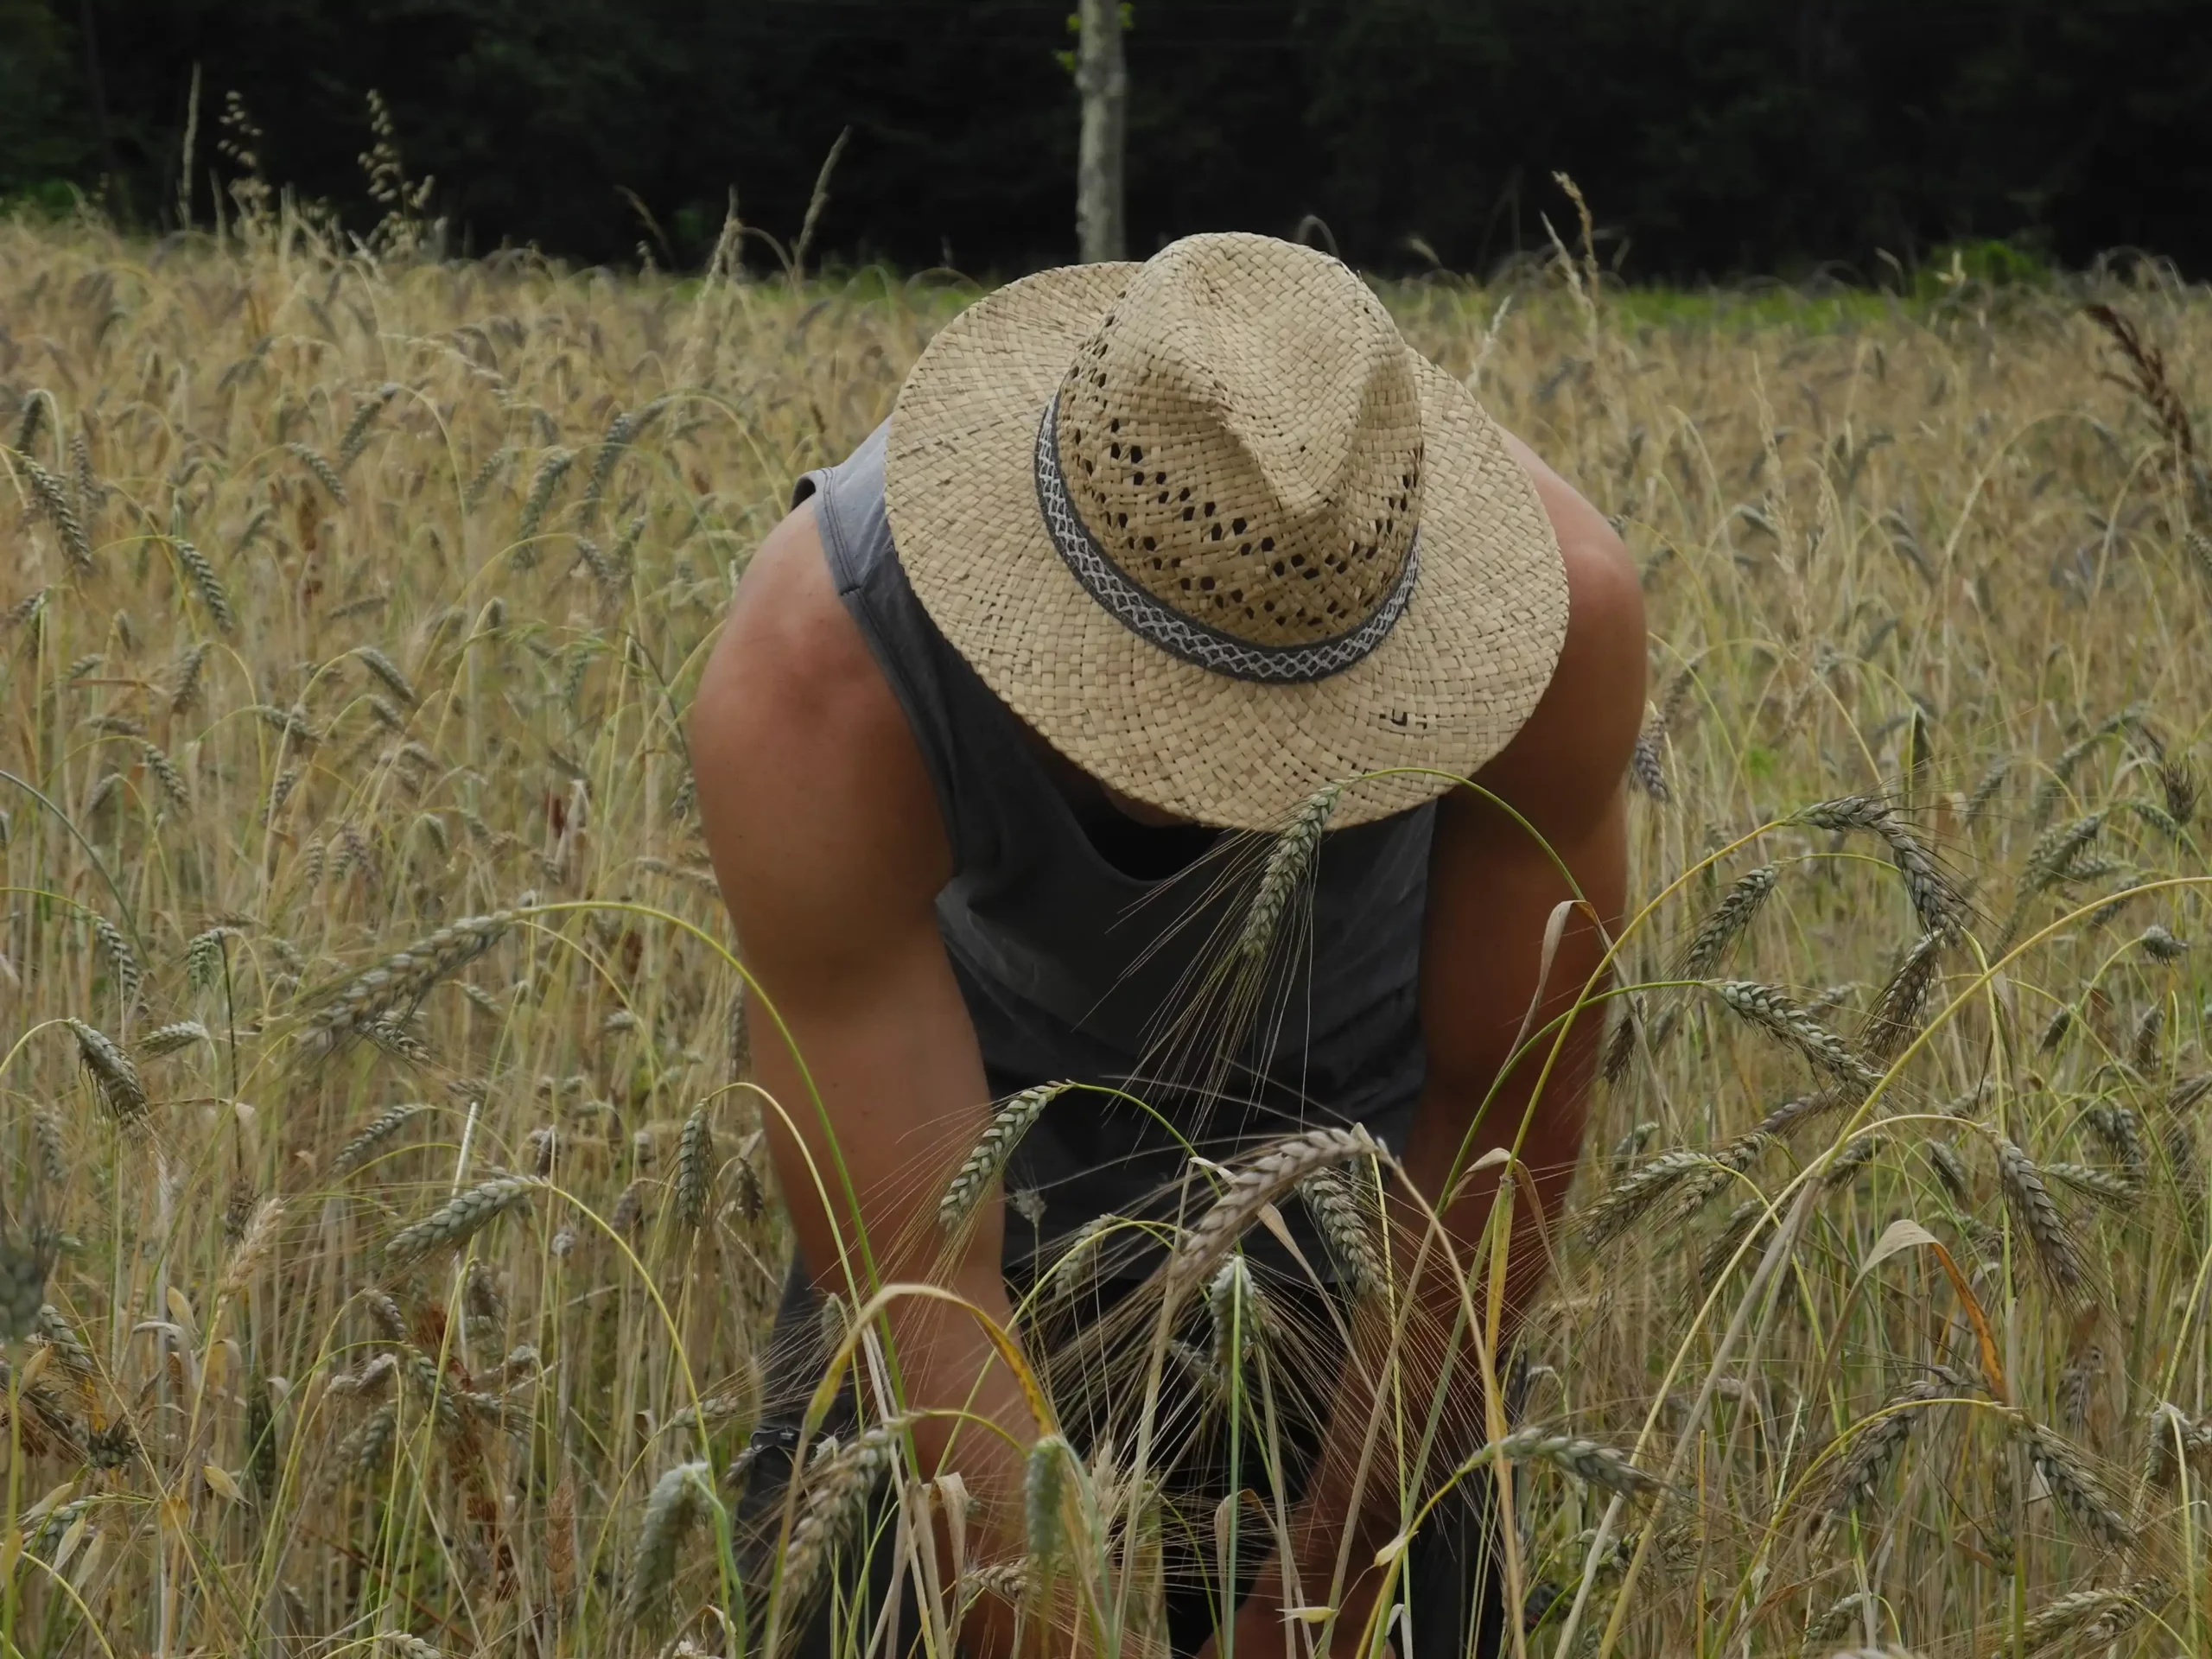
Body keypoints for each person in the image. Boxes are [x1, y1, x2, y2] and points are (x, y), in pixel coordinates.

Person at [692, 232, 1644, 1658]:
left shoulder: (1556, 622)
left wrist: (1329, 1577)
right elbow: (918, 1264)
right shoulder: (825, 666)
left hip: (1367, 1222)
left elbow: (1497, 1125)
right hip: (973, 1183)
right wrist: (1058, 1619)